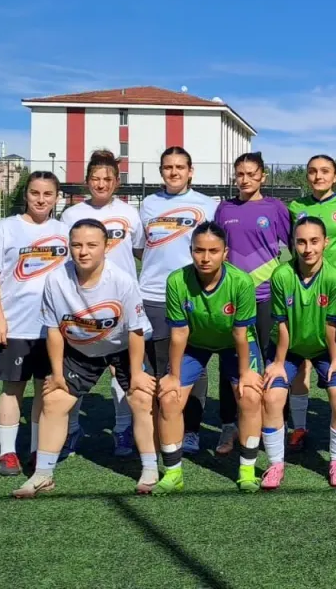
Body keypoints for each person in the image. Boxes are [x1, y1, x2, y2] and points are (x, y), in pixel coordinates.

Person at [12, 219, 156, 498]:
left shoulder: (122, 280)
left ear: (106, 247)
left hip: (122, 346)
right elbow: (53, 330)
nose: (83, 251)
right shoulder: (56, 279)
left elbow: (136, 330)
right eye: (77, 245)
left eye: (92, 245)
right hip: (80, 349)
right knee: (54, 400)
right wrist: (57, 374)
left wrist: (137, 373)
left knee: (141, 398)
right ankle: (43, 475)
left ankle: (150, 470)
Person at [152, 222, 265, 494]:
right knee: (169, 398)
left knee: (249, 395)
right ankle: (173, 474)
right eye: (199, 250)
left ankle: (247, 471)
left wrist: (245, 375)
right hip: (195, 343)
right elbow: (179, 333)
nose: (205, 257)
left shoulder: (241, 281)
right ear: (190, 250)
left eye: (213, 251)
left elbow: (240, 333)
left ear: (225, 253)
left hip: (234, 343)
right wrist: (173, 376)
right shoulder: (177, 281)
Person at [0, 171, 69, 476]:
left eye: (47, 194)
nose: (41, 200)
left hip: (54, 328)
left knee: (46, 390)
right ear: (25, 195)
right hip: (16, 325)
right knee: (12, 388)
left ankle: (36, 450)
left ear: (56, 197)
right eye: (35, 193)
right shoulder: (5, 228)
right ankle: (7, 453)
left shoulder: (64, 231)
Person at [136, 147, 220, 456]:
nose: (174, 172)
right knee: (160, 365)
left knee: (194, 364)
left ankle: (192, 430)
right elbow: (140, 248)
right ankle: (163, 427)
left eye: (180, 167)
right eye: (168, 167)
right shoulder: (148, 204)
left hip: (193, 295)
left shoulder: (208, 205)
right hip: (154, 294)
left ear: (190, 171)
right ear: (161, 171)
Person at [59, 149, 142, 458]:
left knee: (122, 372)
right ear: (87, 181)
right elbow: (65, 260)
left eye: (107, 178)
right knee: (75, 370)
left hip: (122, 303)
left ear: (117, 181)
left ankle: (122, 430)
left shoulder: (131, 213)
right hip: (82, 304)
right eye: (95, 178)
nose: (101, 183)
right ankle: (71, 430)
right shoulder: (71, 215)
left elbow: (141, 252)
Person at [263, 217, 336, 488]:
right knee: (272, 396)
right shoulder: (281, 275)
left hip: (325, 348)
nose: (308, 248)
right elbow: (282, 324)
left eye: (314, 241)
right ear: (293, 244)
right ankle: (275, 465)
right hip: (288, 348)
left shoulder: (334, 277)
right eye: (301, 242)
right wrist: (279, 362)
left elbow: (331, 325)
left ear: (326, 242)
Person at [214, 152, 292, 457]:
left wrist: (274, 281)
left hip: (267, 297)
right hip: (232, 299)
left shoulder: (275, 208)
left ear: (263, 176)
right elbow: (218, 251)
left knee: (271, 361)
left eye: (251, 174)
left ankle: (275, 423)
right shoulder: (224, 209)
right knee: (231, 362)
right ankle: (229, 425)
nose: (245, 179)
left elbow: (291, 249)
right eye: (240, 174)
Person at [287, 154, 336, 449]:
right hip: (305, 292)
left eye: (324, 171)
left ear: (335, 176)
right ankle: (299, 427)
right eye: (312, 171)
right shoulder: (296, 207)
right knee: (301, 362)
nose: (318, 176)